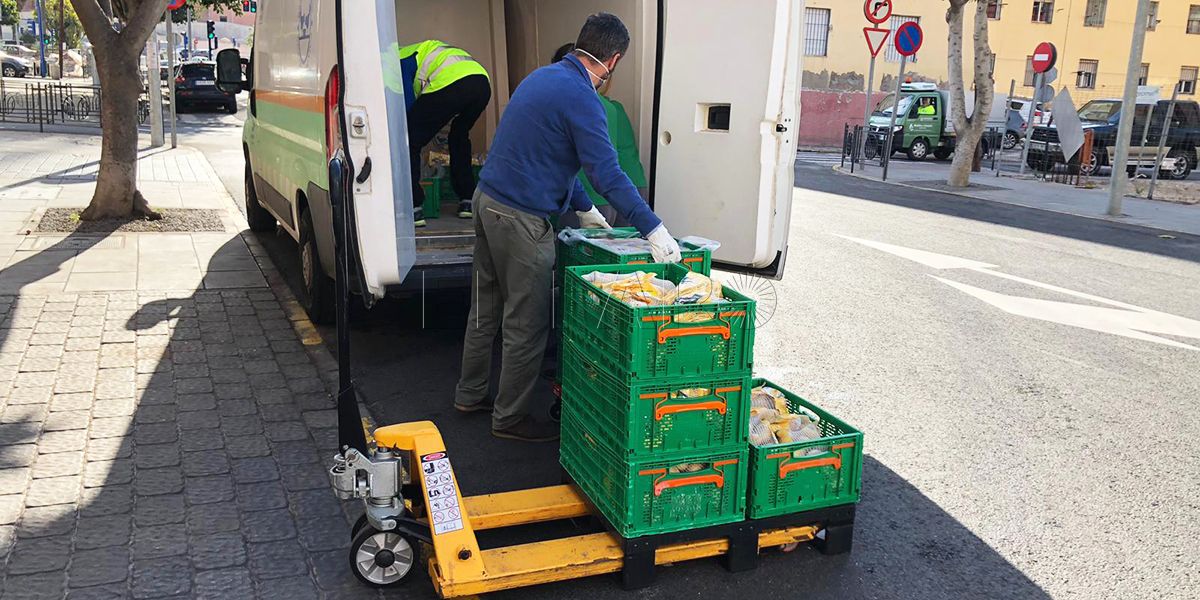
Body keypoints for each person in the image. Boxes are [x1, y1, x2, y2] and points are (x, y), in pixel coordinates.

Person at [454, 13, 682, 443]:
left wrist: (582, 209)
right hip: (520, 218)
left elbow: (550, 154)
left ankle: (470, 394)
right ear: (613, 60)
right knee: (527, 321)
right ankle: (510, 419)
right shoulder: (583, 98)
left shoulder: (541, 78)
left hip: (488, 201)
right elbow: (608, 175)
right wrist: (652, 227)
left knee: (484, 309)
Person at [389, 40, 492, 227]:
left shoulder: (394, 60)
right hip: (481, 83)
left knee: (409, 140)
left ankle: (413, 206)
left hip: (450, 82)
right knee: (459, 136)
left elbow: (407, 106)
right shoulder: (420, 50)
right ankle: (468, 199)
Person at [551, 43, 647, 228]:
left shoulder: (572, 104)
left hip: (586, 198)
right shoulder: (612, 107)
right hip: (623, 192)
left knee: (571, 254)